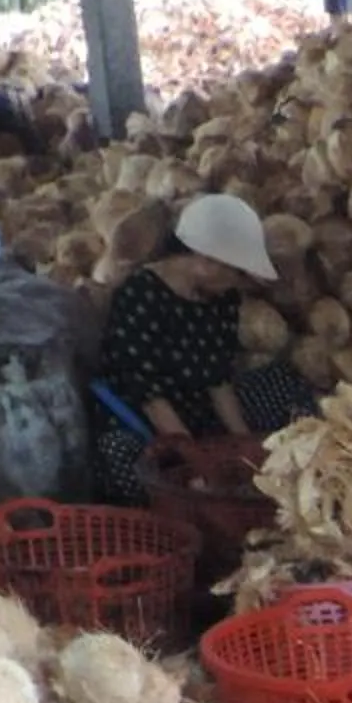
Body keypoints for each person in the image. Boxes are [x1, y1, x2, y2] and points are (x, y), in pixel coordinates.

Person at [89, 195, 318, 505]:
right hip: (145, 423)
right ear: (206, 261)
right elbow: (149, 395)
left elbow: (217, 378)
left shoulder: (221, 299)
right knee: (120, 458)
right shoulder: (139, 295)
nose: (237, 283)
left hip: (198, 411)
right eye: (235, 272)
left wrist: (243, 446)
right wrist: (197, 459)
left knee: (281, 380)